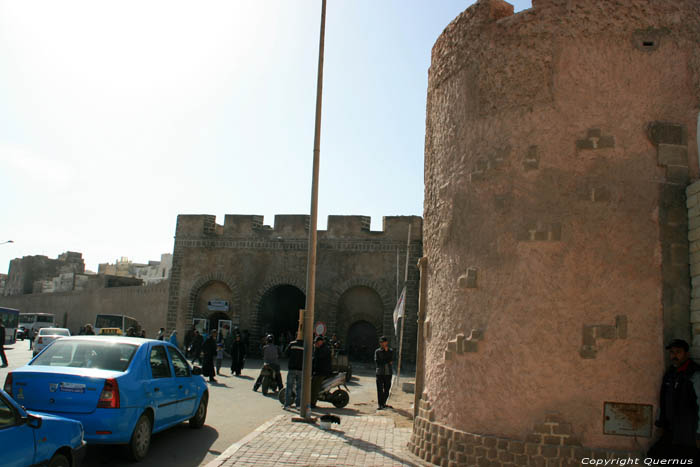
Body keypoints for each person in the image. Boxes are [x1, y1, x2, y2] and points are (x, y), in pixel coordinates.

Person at [648, 339, 700, 460]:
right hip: (671, 430)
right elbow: (663, 399)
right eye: (672, 352)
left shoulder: (694, 374)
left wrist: (699, 433)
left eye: (678, 352)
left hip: (689, 432)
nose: (674, 356)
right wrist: (660, 422)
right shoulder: (670, 374)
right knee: (654, 456)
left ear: (686, 354)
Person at [311, 336, 332, 408]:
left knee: (314, 387)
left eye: (317, 342)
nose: (316, 343)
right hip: (318, 370)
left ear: (321, 341)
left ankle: (312, 403)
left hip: (322, 371)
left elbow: (318, 357)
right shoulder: (321, 348)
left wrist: (316, 349)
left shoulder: (324, 349)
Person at [284, 335, 304, 409]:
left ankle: (287, 405)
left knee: (289, 386)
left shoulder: (292, 344)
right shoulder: (305, 345)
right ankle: (298, 405)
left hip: (292, 368)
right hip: (301, 369)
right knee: (299, 387)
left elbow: (286, 353)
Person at [375, 336, 394, 410]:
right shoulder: (377, 351)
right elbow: (377, 362)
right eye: (381, 342)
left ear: (386, 342)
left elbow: (391, 360)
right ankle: (380, 404)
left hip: (388, 373)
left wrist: (386, 353)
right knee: (379, 389)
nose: (382, 344)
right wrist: (387, 361)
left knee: (387, 389)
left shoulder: (390, 351)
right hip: (380, 372)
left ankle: (383, 403)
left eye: (383, 342)